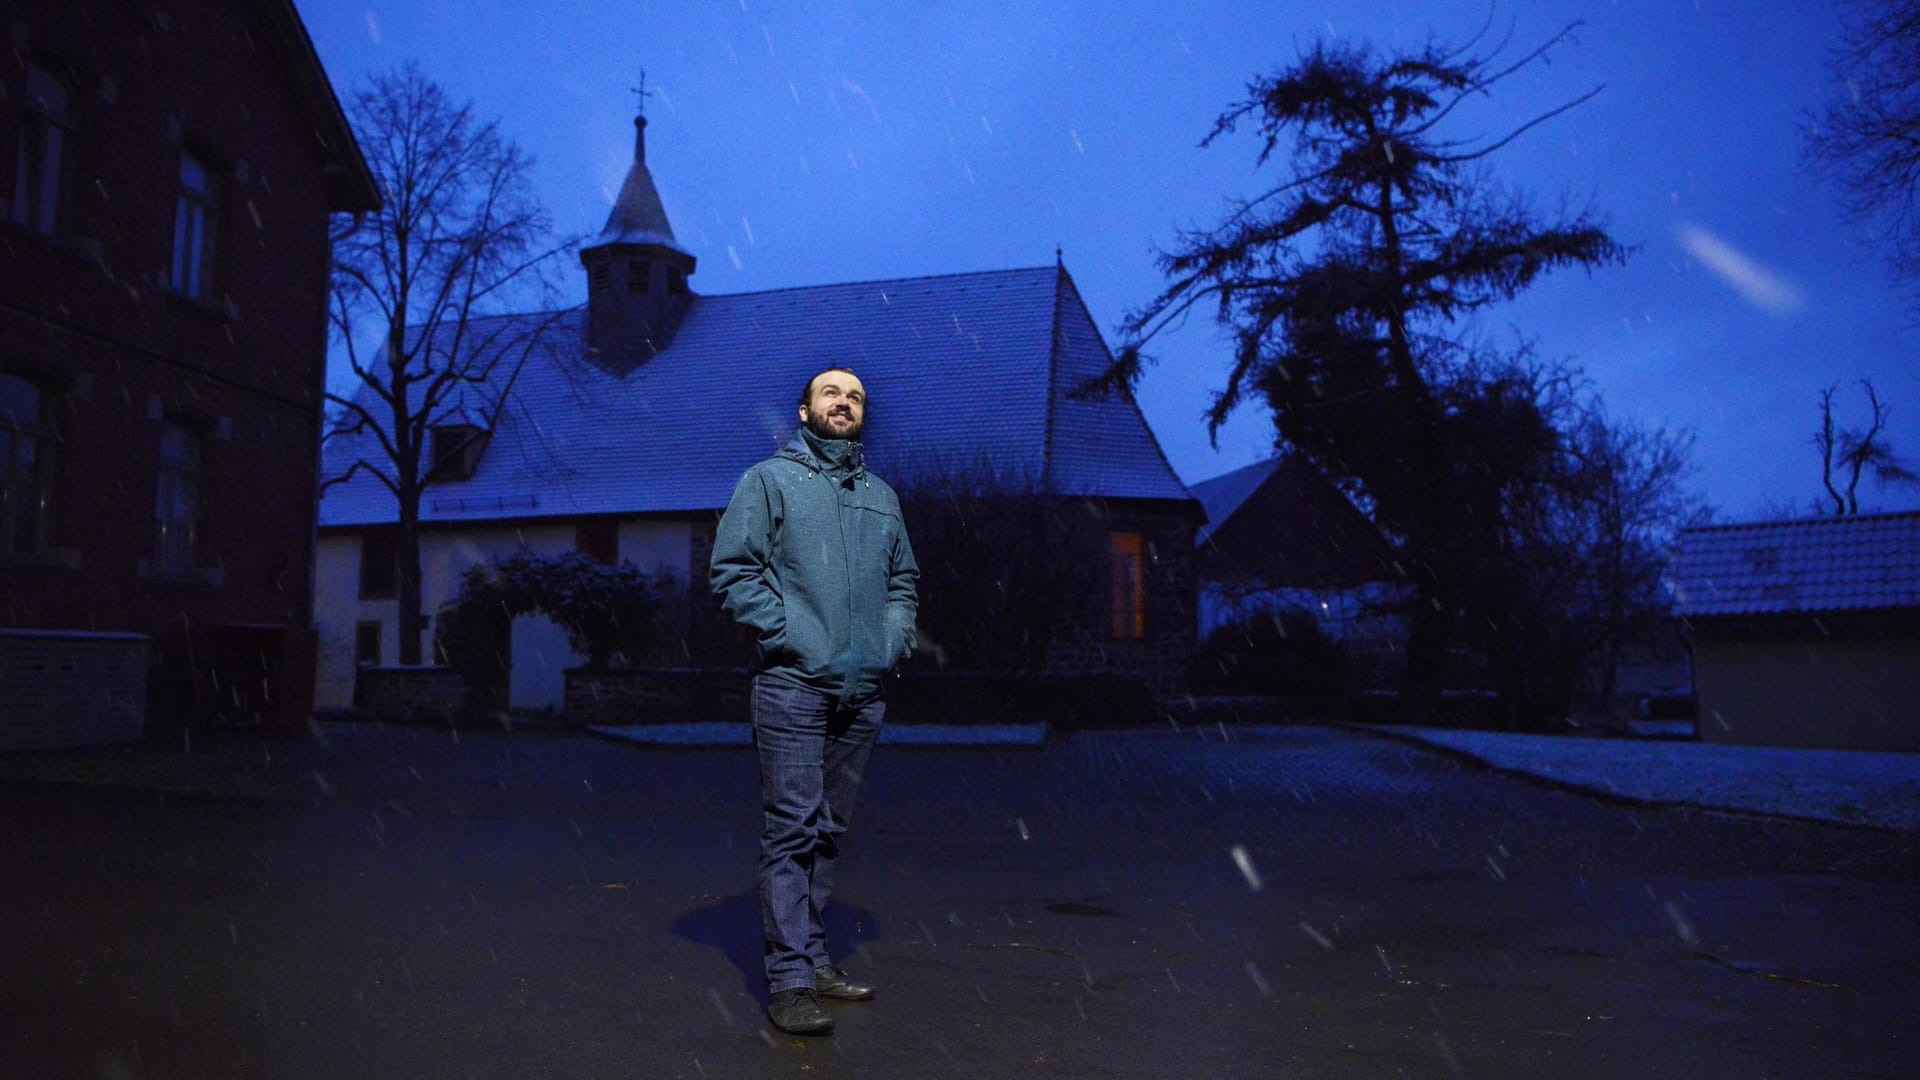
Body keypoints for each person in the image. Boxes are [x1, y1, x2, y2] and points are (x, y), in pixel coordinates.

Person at [709, 366, 919, 1036]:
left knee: (829, 833)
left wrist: (890, 643)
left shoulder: (882, 497)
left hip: (864, 691)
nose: (845, 402)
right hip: (793, 685)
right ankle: (790, 980)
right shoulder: (769, 481)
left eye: (856, 396)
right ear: (805, 412)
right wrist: (793, 637)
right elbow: (733, 571)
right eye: (831, 392)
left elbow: (903, 583)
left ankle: (817, 958)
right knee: (792, 831)